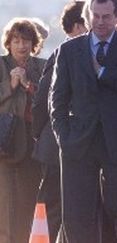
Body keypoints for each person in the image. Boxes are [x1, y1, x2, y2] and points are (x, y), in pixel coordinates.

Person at [49, 0, 117, 242]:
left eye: (106, 16)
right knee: (77, 213)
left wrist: (103, 72)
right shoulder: (69, 50)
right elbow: (57, 99)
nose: (100, 22)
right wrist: (64, 136)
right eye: (96, 16)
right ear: (87, 16)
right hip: (78, 142)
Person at [31, 2, 87, 242]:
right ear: (77, 26)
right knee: (52, 209)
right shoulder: (64, 53)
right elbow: (44, 100)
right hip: (57, 145)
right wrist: (41, 135)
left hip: (67, 145)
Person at [0, 17, 46, 243]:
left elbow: (50, 100)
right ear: (8, 43)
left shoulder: (42, 66)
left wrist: (28, 84)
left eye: (26, 40)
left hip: (34, 142)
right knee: (6, 205)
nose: (21, 45)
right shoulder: (1, 64)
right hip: (5, 143)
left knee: (30, 202)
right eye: (16, 40)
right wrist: (10, 85)